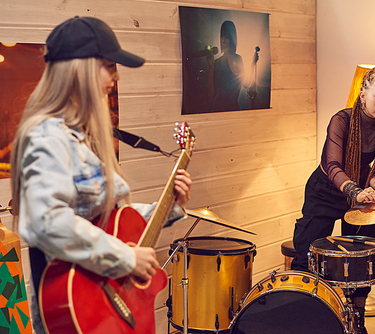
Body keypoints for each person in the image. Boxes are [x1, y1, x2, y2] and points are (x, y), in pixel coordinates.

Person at [9, 17, 192, 333]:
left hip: (100, 308)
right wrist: (125, 258)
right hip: (75, 310)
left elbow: (112, 222)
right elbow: (47, 221)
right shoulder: (47, 137)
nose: (116, 75)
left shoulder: (83, 137)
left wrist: (169, 206)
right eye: (108, 65)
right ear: (80, 70)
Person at [290, 66, 375, 334]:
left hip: (358, 197)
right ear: (362, 94)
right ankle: (301, 318)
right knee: (306, 255)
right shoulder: (341, 120)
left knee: (359, 260)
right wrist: (355, 191)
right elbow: (331, 165)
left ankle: (356, 323)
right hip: (325, 192)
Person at [206, 20, 258, 112]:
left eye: (226, 36)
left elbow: (246, 84)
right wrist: (211, 67)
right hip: (219, 108)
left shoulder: (238, 59)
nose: (223, 40)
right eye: (222, 36)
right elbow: (211, 95)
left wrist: (253, 64)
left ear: (232, 38)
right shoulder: (216, 62)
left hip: (233, 107)